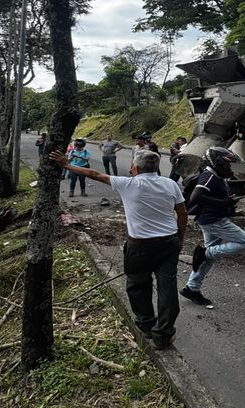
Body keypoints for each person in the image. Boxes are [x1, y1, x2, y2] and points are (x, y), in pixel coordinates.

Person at [51, 148, 186, 350]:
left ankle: (146, 324)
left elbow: (94, 174)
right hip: (168, 243)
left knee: (137, 284)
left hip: (139, 245)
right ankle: (163, 334)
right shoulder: (171, 184)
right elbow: (182, 212)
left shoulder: (128, 184)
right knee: (167, 287)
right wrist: (180, 238)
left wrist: (66, 165)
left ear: (135, 168)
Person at [181, 147, 245, 307]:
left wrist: (244, 182)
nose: (228, 168)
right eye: (226, 165)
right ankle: (204, 253)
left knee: (208, 260)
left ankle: (191, 288)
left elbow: (224, 182)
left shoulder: (214, 174)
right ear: (216, 163)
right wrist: (224, 203)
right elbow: (196, 197)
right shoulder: (208, 176)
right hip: (214, 221)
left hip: (212, 219)